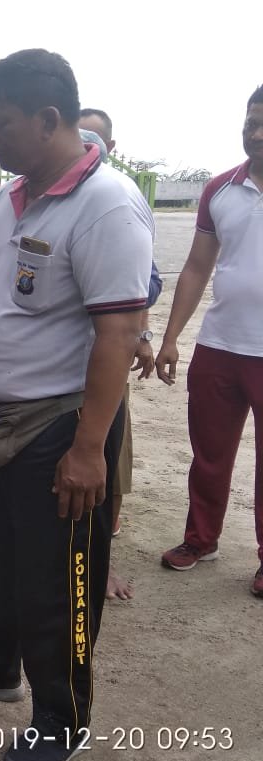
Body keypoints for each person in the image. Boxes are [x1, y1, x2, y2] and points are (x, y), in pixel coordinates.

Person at [0, 50, 152, 761]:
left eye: (3, 125)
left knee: (59, 583)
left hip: (59, 427)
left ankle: (63, 716)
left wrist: (88, 450)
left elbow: (117, 333)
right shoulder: (10, 200)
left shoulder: (107, 205)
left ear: (50, 120)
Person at [156, 85, 263, 600]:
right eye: (251, 121)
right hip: (221, 345)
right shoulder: (221, 188)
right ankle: (201, 539)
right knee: (209, 453)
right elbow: (198, 266)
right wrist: (173, 336)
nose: (256, 132)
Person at [79, 109, 163, 601]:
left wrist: (145, 335)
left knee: (104, 464)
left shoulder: (118, 201)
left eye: (97, 138)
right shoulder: (35, 200)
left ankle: (98, 564)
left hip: (103, 362)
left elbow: (142, 285)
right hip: (51, 371)